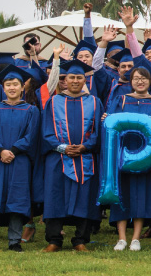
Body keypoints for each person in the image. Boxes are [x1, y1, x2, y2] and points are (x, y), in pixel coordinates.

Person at [39, 60, 102, 252]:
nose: (75, 81)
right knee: (54, 197)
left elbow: (98, 132)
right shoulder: (54, 101)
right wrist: (62, 148)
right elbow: (46, 132)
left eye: (79, 77)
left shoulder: (94, 102)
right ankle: (54, 240)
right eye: (71, 77)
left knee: (84, 199)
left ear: (85, 80)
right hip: (58, 159)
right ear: (65, 79)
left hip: (85, 158)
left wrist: (85, 147)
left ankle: (80, 240)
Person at [0, 65, 39, 253]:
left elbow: (31, 136)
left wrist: (12, 150)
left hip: (19, 160)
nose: (12, 88)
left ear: (22, 88)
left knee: (17, 199)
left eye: (15, 84)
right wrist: (0, 151)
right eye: (8, 84)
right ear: (3, 88)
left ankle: (15, 241)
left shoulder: (31, 110)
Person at [105, 67, 151, 252]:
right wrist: (105, 118)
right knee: (121, 195)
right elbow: (110, 125)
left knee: (142, 196)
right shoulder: (121, 100)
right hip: (122, 156)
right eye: (136, 78)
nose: (140, 82)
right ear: (130, 81)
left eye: (144, 78)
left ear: (150, 81)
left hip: (146, 158)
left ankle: (136, 238)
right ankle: (122, 238)